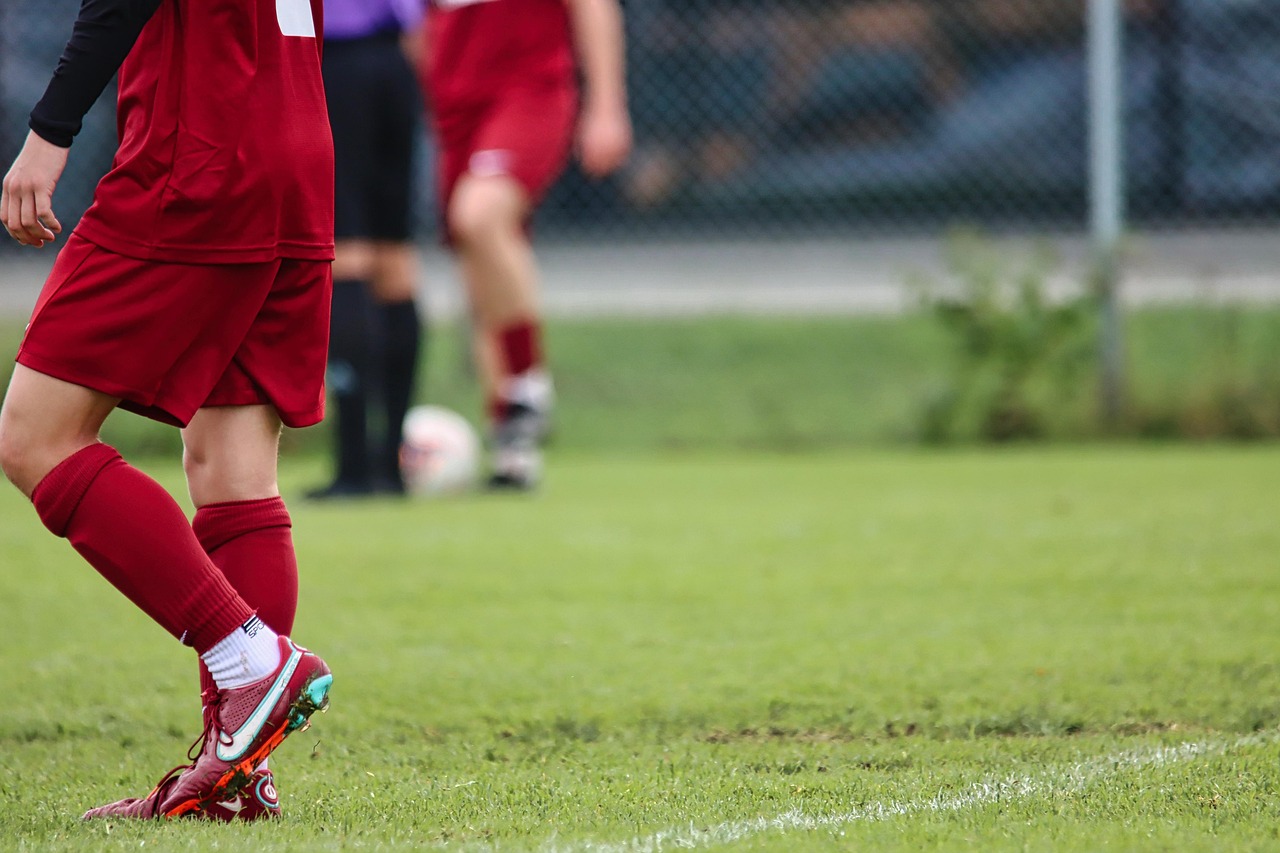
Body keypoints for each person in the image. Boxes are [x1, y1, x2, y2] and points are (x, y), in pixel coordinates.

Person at [0, 0, 334, 821]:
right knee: (232, 470)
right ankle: (235, 779)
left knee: (34, 437)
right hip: (295, 148)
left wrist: (49, 130)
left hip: (201, 155)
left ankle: (247, 658)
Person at [423, 0, 632, 489]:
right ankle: (512, 451)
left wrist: (606, 105)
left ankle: (528, 380)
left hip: (529, 90)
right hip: (455, 105)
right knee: (479, 270)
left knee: (479, 216)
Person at [308, 0, 427, 500]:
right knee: (394, 261)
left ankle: (355, 467)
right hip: (395, 67)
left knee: (348, 257)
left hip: (334, 70)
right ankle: (391, 465)